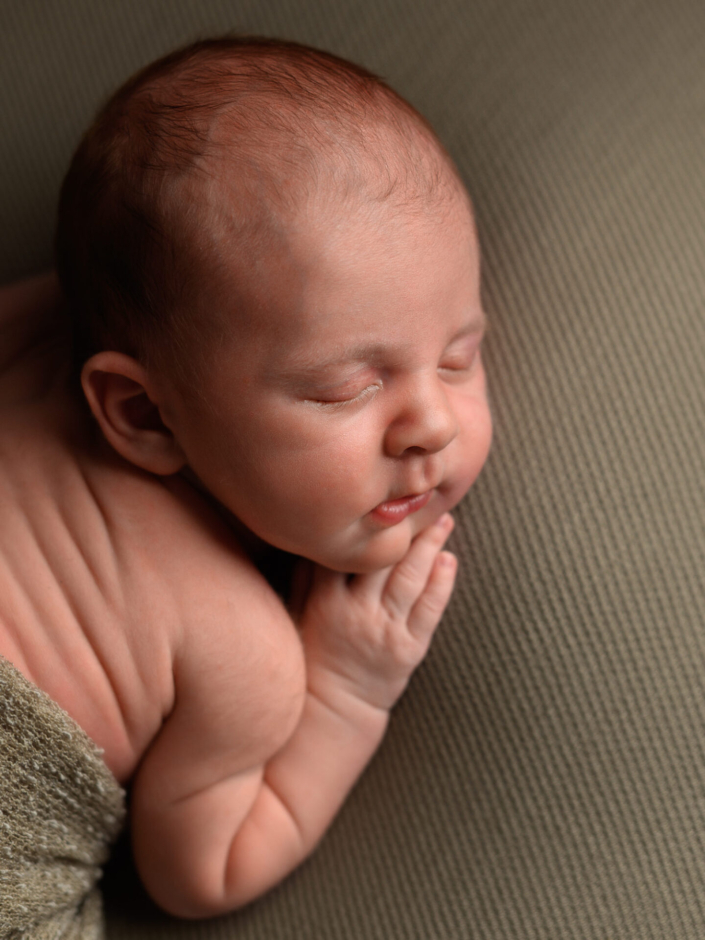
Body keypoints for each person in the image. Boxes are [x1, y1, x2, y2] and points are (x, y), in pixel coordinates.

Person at [0, 36, 492, 919]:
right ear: (144, 414)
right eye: (351, 386)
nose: (433, 423)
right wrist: (343, 690)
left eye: (459, 357)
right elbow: (201, 873)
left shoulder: (35, 337)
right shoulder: (241, 653)